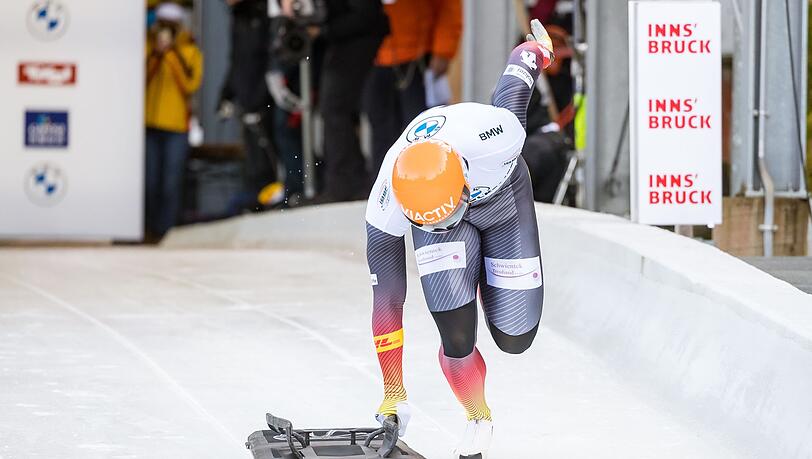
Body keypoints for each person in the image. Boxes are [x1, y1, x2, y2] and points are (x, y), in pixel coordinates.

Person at [364, 20, 554, 458]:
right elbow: (388, 299)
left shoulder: (497, 136)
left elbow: (515, 83)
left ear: (465, 181)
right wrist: (393, 390)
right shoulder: (386, 203)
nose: (445, 220)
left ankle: (487, 280)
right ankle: (478, 416)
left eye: (448, 211)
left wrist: (537, 50)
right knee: (456, 333)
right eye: (429, 221)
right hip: (446, 222)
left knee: (515, 337)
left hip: (505, 203)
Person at [303, 0, 390, 202]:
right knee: (336, 110)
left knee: (335, 109)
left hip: (360, 40)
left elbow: (365, 16)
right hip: (347, 40)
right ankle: (349, 179)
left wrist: (323, 30)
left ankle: (345, 183)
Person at [364, 0, 462, 176]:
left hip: (417, 58)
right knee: (380, 130)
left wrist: (443, 50)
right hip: (372, 55)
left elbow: (449, 7)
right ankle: (382, 185)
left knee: (421, 129)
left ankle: (426, 180)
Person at [145, 2, 203, 239]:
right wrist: (156, 55)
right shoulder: (146, 48)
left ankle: (166, 231)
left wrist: (171, 54)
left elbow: (189, 85)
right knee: (149, 181)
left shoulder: (189, 51)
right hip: (148, 124)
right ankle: (147, 229)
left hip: (176, 126)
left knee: (171, 182)